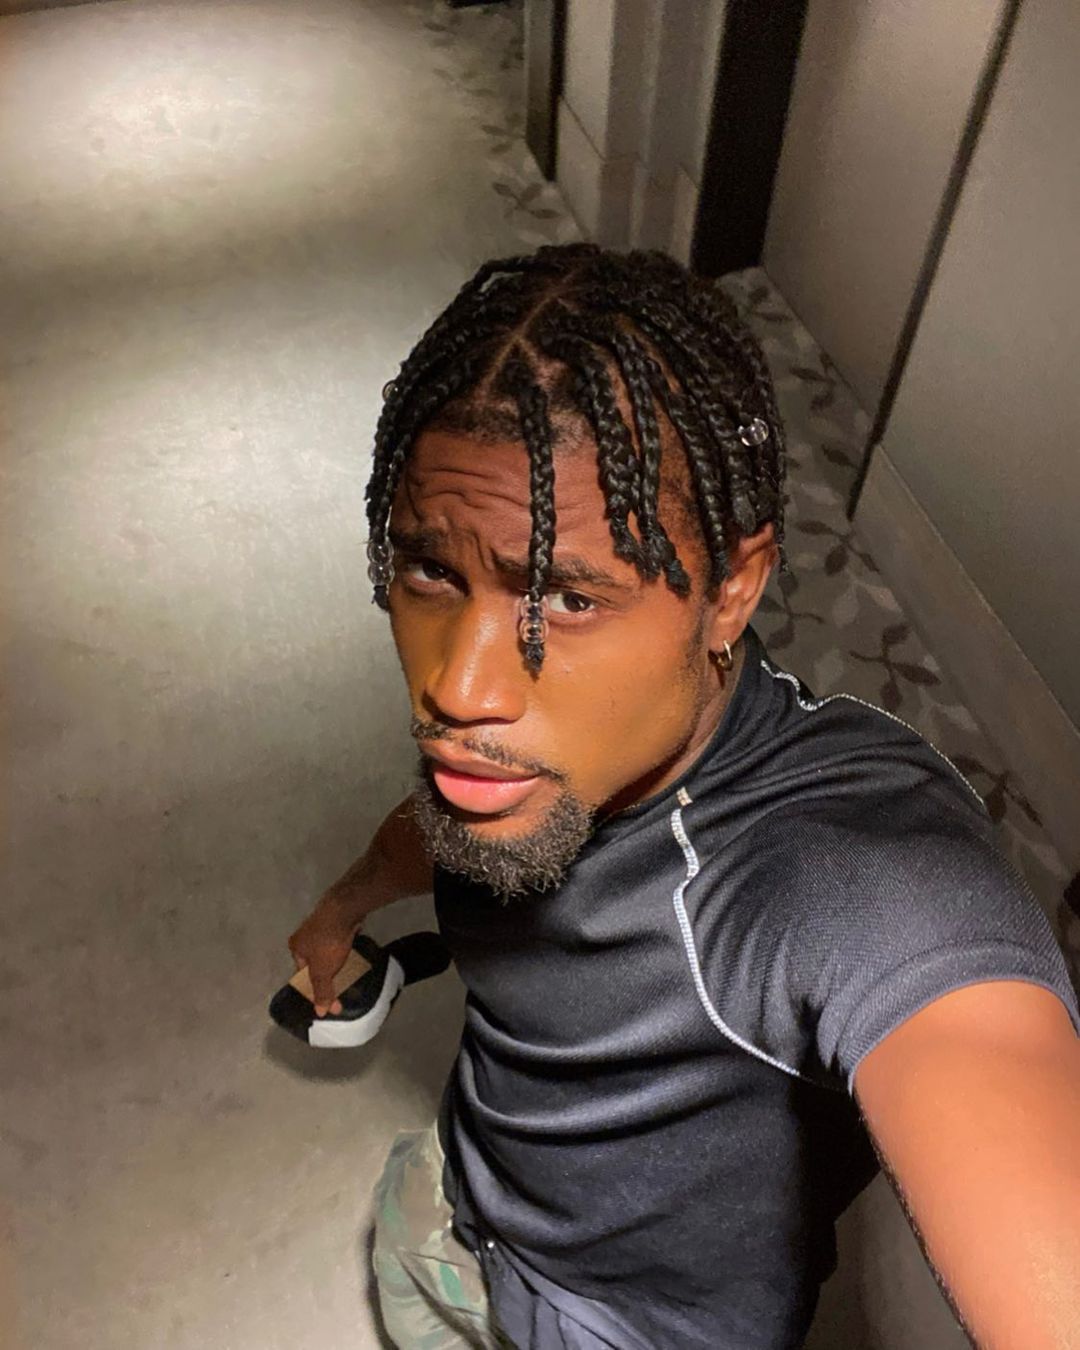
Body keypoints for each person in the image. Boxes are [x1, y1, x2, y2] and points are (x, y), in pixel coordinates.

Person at [287, 245, 1080, 1350]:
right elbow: (443, 826)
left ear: (732, 591)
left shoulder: (838, 870)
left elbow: (968, 1033)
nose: (459, 688)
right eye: (433, 573)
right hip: (466, 1189)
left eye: (568, 599)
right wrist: (346, 904)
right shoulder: (525, 760)